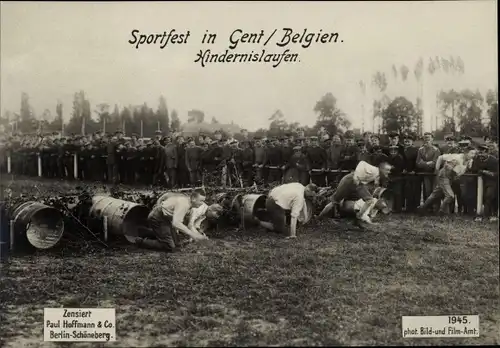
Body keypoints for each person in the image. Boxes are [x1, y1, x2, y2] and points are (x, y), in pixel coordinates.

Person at [318, 160, 393, 224]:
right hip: (350, 180)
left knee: (369, 200)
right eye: (387, 170)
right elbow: (362, 163)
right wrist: (357, 177)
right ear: (381, 169)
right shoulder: (374, 170)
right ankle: (319, 217)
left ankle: (358, 218)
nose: (389, 172)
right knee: (334, 202)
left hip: (357, 184)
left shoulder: (377, 174)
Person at [134, 191, 208, 252]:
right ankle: (140, 241)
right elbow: (176, 223)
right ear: (193, 199)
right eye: (201, 200)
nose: (202, 203)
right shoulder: (184, 204)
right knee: (169, 246)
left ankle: (143, 231)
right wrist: (192, 235)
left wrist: (199, 235)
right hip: (158, 217)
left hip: (166, 219)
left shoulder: (192, 207)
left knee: (177, 243)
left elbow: (190, 225)